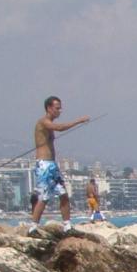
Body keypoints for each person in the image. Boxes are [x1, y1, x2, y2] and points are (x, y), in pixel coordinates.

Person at [30, 96, 89, 229]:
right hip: (44, 165)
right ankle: (33, 227)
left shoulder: (49, 123)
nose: (60, 111)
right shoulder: (43, 122)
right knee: (44, 197)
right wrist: (78, 121)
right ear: (49, 108)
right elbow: (59, 127)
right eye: (57, 108)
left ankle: (67, 226)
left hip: (52, 165)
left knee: (63, 194)